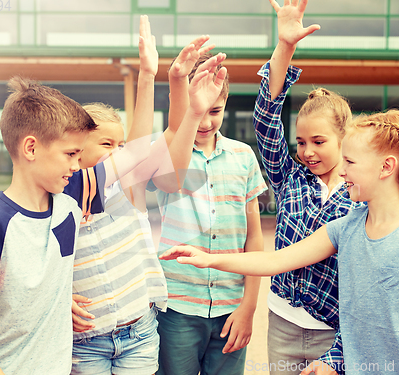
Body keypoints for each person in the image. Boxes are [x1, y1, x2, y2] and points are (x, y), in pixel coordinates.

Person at [160, 109, 399, 375]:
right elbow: (276, 261)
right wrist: (209, 258)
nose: (343, 170)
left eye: (349, 162)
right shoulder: (346, 229)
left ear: (386, 167)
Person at [0, 16, 156, 375]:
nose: (77, 164)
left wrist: (150, 76)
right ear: (31, 148)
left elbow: (137, 156)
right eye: (70, 154)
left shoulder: (71, 196)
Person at [68, 28, 230, 375]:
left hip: (138, 332)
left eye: (120, 144)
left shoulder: (129, 187)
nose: (119, 153)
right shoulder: (61, 199)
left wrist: (151, 76)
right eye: (106, 144)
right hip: (85, 341)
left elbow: (159, 136)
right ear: (75, 149)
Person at [252, 0, 358, 373]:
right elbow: (266, 120)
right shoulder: (290, 179)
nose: (307, 151)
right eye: (300, 142)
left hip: (335, 332)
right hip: (281, 323)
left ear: (343, 137)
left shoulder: (362, 195)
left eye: (318, 141)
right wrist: (285, 46)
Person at [153, 47, 267, 375]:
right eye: (196, 110)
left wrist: (249, 307)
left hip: (231, 309)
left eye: (214, 111)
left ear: (225, 104)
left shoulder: (244, 156)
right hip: (177, 308)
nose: (205, 121)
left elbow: (254, 237)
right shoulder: (165, 154)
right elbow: (167, 179)